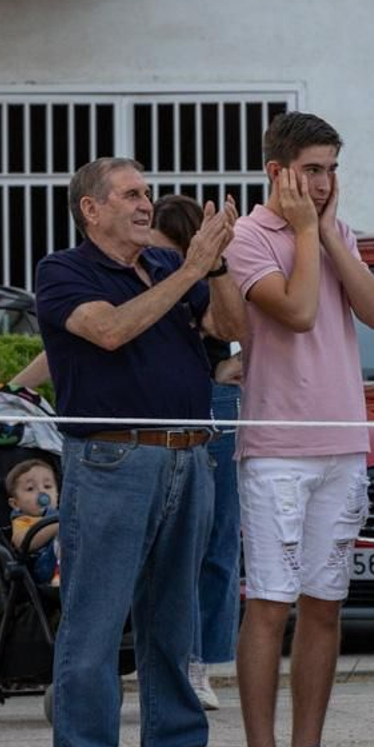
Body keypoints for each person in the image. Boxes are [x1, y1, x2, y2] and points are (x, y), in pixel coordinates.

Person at [36, 156, 247, 747]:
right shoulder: (63, 271)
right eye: (130, 193)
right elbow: (109, 330)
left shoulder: (163, 266)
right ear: (90, 208)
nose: (145, 203)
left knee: (174, 621)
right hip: (112, 462)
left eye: (147, 193)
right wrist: (190, 267)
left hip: (189, 457)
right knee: (95, 622)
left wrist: (214, 265)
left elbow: (232, 329)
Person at [225, 112, 374, 747]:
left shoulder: (336, 232)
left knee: (326, 602)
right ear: (279, 170)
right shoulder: (247, 237)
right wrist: (302, 232)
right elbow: (294, 312)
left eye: (331, 170)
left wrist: (324, 233)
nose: (325, 184)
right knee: (270, 601)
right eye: (312, 170)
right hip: (276, 448)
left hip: (341, 443)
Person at [151, 194, 245, 709]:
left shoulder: (214, 276)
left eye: (168, 249)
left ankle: (201, 662)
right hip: (159, 405)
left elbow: (266, 321)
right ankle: (170, 657)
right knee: (172, 541)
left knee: (217, 537)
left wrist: (240, 361)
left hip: (214, 402)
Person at [6, 458, 60, 585]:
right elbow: (22, 543)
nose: (42, 492)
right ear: (15, 504)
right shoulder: (23, 520)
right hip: (45, 568)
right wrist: (58, 525)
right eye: (30, 489)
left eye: (47, 486)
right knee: (66, 536)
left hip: (75, 561)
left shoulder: (65, 514)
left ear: (57, 496)